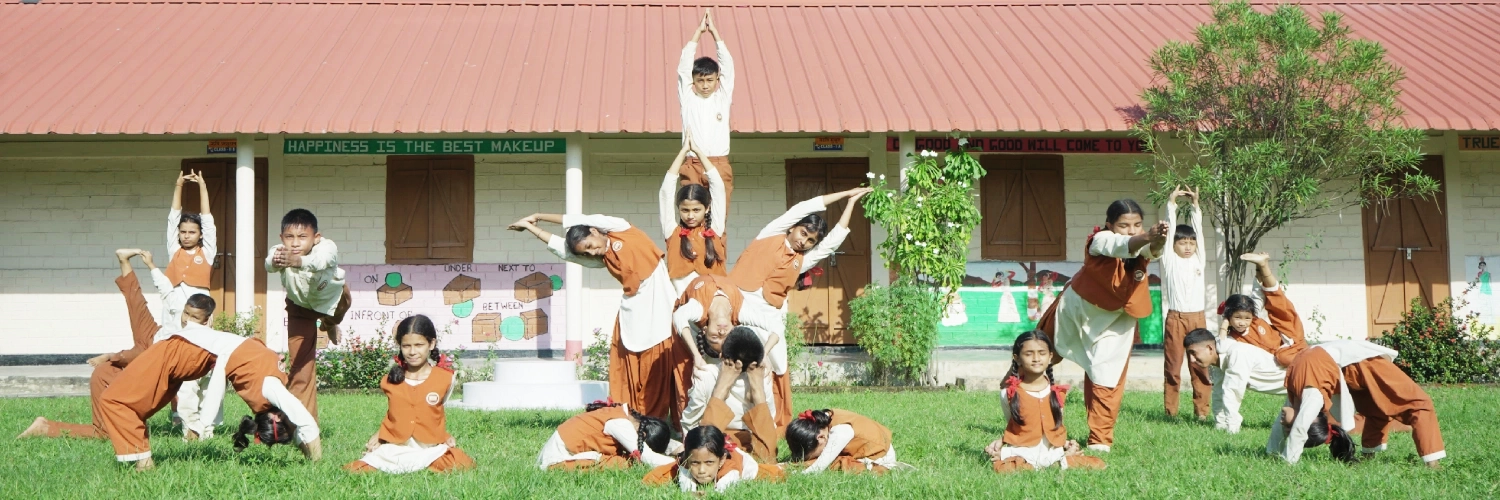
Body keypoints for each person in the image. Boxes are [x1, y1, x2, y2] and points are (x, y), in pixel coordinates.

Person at [88, 295, 319, 470]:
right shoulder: (269, 387)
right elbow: (304, 420)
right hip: (176, 353)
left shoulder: (266, 379)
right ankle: (143, 462)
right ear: (275, 417)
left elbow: (219, 381)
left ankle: (143, 463)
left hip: (178, 357)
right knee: (120, 402)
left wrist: (201, 424)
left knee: (120, 402)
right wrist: (316, 462)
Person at [510, 212, 688, 422]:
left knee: (658, 369)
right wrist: (531, 228)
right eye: (586, 252)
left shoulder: (621, 229)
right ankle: (634, 421)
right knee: (629, 373)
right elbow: (564, 251)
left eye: (590, 245)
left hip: (659, 314)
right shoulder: (604, 258)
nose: (592, 252)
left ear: (595, 231)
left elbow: (583, 219)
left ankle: (657, 422)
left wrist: (538, 216)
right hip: (632, 316)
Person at [729, 187, 871, 429]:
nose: (803, 241)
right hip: (739, 304)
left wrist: (851, 204)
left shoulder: (801, 261)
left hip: (768, 315)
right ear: (792, 227)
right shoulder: (771, 234)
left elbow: (832, 242)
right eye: (803, 233)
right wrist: (846, 194)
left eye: (810, 240)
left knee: (777, 363)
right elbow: (804, 207)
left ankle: (774, 421)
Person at [18, 249, 198, 440]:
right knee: (135, 302)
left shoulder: (197, 339)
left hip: (144, 355)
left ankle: (124, 261)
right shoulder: (181, 312)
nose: (188, 319)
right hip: (151, 340)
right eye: (187, 314)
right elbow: (165, 289)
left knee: (135, 304)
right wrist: (151, 265)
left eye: (194, 317)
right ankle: (46, 428)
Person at [1043, 199, 1166, 452]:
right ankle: (1021, 416)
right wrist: (1146, 236)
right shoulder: (1100, 239)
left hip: (1116, 322)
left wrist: (1158, 239)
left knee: (1106, 377)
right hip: (1076, 312)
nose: (1131, 230)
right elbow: (1123, 244)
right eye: (1124, 225)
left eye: (1137, 225)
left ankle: (1099, 439)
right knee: (1037, 357)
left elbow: (1151, 249)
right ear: (1109, 225)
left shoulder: (1141, 244)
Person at [1272, 340, 1445, 468]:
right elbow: (1300, 428)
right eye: (1288, 427)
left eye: (1287, 427)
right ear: (1310, 419)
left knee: (1387, 407)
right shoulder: (1310, 397)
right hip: (1358, 364)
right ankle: (1433, 465)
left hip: (1355, 363)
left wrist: (1274, 452)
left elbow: (1295, 428)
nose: (1282, 422)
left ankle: (1371, 457)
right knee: (1418, 405)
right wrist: (1288, 463)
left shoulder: (1300, 396)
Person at [346, 315, 476, 474]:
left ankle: (421, 463)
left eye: (419, 345)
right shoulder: (389, 380)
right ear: (400, 346)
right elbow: (394, 413)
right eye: (406, 346)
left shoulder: (446, 379)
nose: (412, 352)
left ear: (431, 344)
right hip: (396, 447)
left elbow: (434, 414)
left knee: (460, 462)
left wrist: (443, 435)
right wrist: (381, 435)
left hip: (429, 447)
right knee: (358, 469)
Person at [265, 208, 351, 419]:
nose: (295, 243)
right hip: (300, 308)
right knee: (300, 368)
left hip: (333, 301)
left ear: (316, 238)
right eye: (289, 237)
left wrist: (297, 262)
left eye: (302, 237)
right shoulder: (280, 251)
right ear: (281, 238)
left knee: (342, 305)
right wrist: (275, 261)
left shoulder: (327, 247)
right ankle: (303, 425)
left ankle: (329, 325)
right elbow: (269, 264)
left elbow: (321, 261)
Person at [985, 330, 1106, 472]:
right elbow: (1013, 425)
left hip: (1052, 451)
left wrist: (1066, 444)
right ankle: (1050, 464)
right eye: (1029, 354)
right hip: (1023, 452)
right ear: (1017, 358)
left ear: (1050, 357)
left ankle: (1056, 461)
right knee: (1005, 468)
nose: (1036, 358)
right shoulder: (1008, 393)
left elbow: (1055, 426)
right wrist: (1002, 442)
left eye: (1042, 353)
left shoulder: (1058, 393)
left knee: (1097, 463)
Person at [685, 328, 777, 463]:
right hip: (712, 442)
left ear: (721, 355)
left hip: (749, 444)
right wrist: (721, 388)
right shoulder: (707, 376)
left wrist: (758, 391)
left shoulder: (761, 379)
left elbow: (690, 421)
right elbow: (695, 435)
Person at [1160, 187, 1213, 419]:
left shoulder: (1199, 259)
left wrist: (1195, 206)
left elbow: (1199, 231)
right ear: (1174, 245)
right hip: (1176, 319)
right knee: (1173, 368)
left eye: (1191, 243)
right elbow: (1169, 232)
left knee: (1200, 367)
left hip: (1197, 319)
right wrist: (1172, 204)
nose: (1188, 247)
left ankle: (1202, 412)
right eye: (1183, 243)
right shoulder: (1170, 261)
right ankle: (1170, 412)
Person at [677, 8, 735, 206]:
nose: (705, 85)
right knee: (691, 212)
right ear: (693, 81)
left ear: (717, 79)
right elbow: (684, 67)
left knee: (720, 213)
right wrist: (698, 33)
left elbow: (728, 66)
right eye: (700, 80)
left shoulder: (722, 98)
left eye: (710, 80)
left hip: (719, 162)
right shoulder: (688, 98)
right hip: (692, 163)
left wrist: (715, 33)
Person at [661, 134, 730, 295]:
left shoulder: (715, 229)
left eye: (696, 210)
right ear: (679, 209)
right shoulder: (672, 232)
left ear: (707, 208)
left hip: (713, 301)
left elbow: (718, 187)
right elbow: (666, 191)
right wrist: (683, 152)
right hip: (682, 303)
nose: (690, 216)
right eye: (685, 210)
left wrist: (699, 152)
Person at [1182, 328, 1287, 434]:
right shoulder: (1219, 359)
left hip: (1294, 382)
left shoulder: (1237, 353)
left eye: (1193, 353)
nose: (1192, 360)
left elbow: (1232, 392)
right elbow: (1218, 393)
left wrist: (1232, 430)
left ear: (1209, 348)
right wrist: (1220, 425)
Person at [149, 171, 217, 333]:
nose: (186, 236)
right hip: (174, 305)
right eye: (183, 232)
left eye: (192, 232)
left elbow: (207, 220)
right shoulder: (175, 250)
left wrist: (202, 186)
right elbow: (173, 218)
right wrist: (179, 185)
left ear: (200, 234)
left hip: (199, 306)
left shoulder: (207, 253)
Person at [1219, 252, 1309, 367]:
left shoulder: (1253, 315)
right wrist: (1225, 324)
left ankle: (1263, 265)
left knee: (1277, 302)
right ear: (1229, 316)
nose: (1242, 322)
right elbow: (1221, 348)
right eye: (1237, 317)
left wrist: (1258, 267)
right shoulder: (1233, 337)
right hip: (1285, 352)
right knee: (1284, 358)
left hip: (1290, 334)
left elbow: (1257, 293)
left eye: (1247, 318)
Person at [537, 399, 675, 471]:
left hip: (561, 453)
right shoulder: (621, 424)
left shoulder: (625, 416)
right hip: (556, 461)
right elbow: (647, 457)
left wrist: (678, 450)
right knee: (627, 463)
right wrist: (680, 465)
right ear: (643, 435)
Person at [642, 425, 784, 492]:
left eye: (709, 463)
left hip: (743, 465)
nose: (701, 470)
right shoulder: (686, 459)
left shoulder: (729, 467)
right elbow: (682, 480)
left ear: (720, 460)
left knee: (772, 473)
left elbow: (723, 491)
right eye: (695, 463)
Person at [785, 408, 899, 474]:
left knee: (836, 463)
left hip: (880, 457)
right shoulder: (825, 420)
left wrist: (804, 473)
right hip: (864, 448)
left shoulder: (839, 433)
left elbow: (818, 468)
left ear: (821, 438)